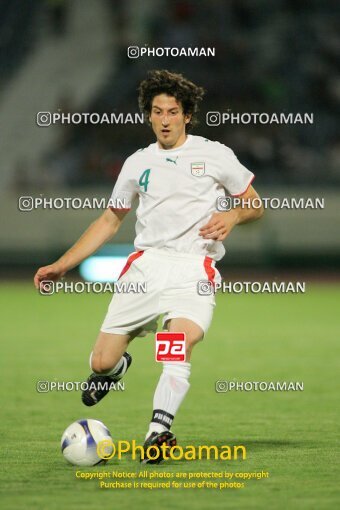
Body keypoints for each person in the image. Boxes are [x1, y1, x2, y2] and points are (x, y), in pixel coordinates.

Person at [34, 69, 264, 463]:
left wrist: (233, 217)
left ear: (187, 115)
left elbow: (255, 204)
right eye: (157, 112)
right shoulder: (136, 163)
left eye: (173, 111)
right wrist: (62, 264)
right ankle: (115, 368)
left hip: (194, 269)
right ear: (149, 115)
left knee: (177, 345)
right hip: (145, 270)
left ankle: (159, 431)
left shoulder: (215, 155)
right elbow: (110, 220)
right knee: (100, 361)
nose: (164, 119)